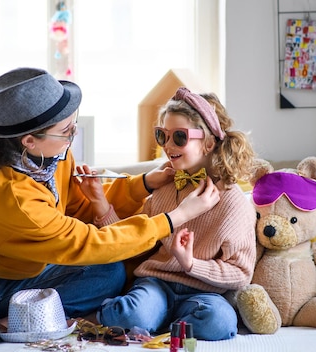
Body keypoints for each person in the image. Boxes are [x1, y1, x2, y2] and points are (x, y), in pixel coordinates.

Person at [0, 68, 221, 345]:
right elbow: (88, 241)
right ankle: (7, 322)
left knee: (109, 273)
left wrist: (143, 184)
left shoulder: (53, 157)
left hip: (22, 275)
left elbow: (84, 206)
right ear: (29, 140)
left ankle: (21, 311)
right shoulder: (15, 199)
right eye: (66, 130)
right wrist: (176, 217)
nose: (73, 134)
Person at [95, 87, 257, 341]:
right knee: (131, 314)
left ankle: (158, 324)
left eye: (179, 137)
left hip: (204, 294)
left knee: (221, 322)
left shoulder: (234, 203)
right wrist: (102, 207)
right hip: (156, 284)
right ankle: (147, 318)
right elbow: (136, 242)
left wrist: (192, 264)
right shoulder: (165, 187)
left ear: (209, 143)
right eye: (162, 135)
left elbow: (241, 272)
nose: (168, 146)